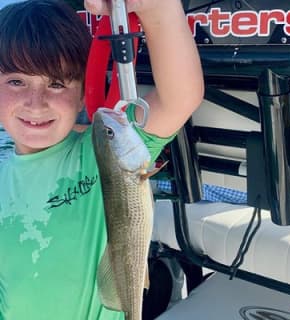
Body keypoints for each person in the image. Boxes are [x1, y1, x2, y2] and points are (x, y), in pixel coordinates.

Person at [0, 0, 203, 319]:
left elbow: (178, 98)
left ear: (82, 93)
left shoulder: (104, 151)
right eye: (16, 81)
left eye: (56, 83)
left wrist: (157, 8)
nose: (35, 103)